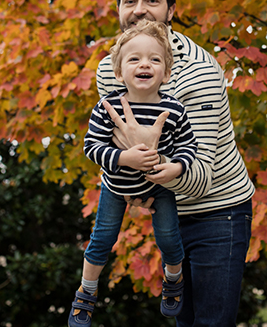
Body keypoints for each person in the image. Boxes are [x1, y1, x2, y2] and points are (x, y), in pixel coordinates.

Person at [96, 0, 255, 327]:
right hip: (165, 209)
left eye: (151, 0)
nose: (139, 9)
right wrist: (135, 182)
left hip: (219, 210)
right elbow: (115, 149)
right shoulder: (110, 69)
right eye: (129, 0)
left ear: (171, 9)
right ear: (118, 8)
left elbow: (198, 177)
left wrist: (141, 163)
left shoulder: (199, 70)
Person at [68, 20, 199, 327]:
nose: (145, 64)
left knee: (168, 238)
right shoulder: (107, 107)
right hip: (115, 186)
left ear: (166, 73)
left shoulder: (174, 110)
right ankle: (86, 291)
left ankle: (173, 278)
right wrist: (124, 157)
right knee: (102, 239)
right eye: (135, 59)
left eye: (155, 59)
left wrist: (177, 166)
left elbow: (188, 146)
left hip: (158, 187)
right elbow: (91, 146)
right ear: (119, 71)